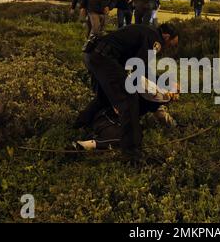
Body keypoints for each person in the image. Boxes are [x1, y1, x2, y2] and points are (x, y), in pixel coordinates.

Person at [76, 23, 179, 157]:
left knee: (104, 98)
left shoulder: (146, 31)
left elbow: (141, 68)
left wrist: (166, 82)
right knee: (129, 101)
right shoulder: (155, 40)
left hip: (93, 55)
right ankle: (132, 152)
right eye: (171, 44)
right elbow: (138, 69)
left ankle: (79, 124)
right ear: (166, 37)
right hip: (104, 58)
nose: (169, 48)